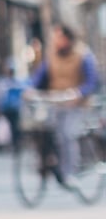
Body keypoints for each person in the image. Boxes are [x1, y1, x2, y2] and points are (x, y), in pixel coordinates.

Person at [28, 22, 98, 184]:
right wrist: (30, 90)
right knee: (42, 128)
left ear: (67, 38)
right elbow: (39, 77)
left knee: (67, 134)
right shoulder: (51, 56)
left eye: (58, 37)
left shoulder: (83, 55)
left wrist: (78, 93)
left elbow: (92, 81)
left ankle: (70, 172)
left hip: (76, 104)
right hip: (55, 102)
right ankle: (46, 163)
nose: (55, 41)